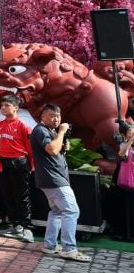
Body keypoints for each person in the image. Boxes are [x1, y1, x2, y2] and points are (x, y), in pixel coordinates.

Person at [31, 104, 91, 262]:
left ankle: (50, 245)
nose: (56, 119)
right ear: (42, 116)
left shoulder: (50, 131)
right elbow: (51, 149)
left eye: (58, 116)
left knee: (57, 211)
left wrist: (62, 139)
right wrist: (62, 132)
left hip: (53, 178)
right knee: (71, 211)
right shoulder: (40, 130)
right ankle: (69, 249)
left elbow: (58, 150)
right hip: (53, 179)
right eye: (52, 115)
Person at [0, 96, 35, 242]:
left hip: (19, 162)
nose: (3, 108)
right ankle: (15, 225)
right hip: (4, 162)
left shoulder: (23, 125)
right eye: (2, 105)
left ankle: (26, 228)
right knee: (7, 194)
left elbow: (29, 148)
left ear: (15, 108)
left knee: (22, 196)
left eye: (7, 105)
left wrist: (31, 165)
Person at [106, 123, 134, 240]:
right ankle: (124, 233)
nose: (133, 134)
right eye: (130, 132)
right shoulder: (123, 144)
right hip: (126, 182)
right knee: (125, 207)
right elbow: (122, 155)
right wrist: (130, 141)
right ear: (124, 135)